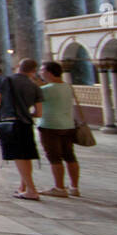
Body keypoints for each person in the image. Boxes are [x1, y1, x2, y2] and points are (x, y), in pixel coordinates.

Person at [0, 57, 43, 201]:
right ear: (33, 71)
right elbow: (39, 113)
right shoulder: (35, 86)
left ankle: (32, 190)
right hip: (26, 123)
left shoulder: (4, 80)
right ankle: (23, 187)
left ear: (18, 66)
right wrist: (26, 113)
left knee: (19, 156)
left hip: (10, 122)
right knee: (26, 156)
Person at [37, 61, 81, 197]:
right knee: (70, 156)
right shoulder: (67, 87)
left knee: (55, 158)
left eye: (42, 70)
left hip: (50, 126)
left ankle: (59, 188)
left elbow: (34, 103)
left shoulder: (47, 89)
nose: (40, 73)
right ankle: (74, 187)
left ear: (49, 72)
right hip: (67, 125)